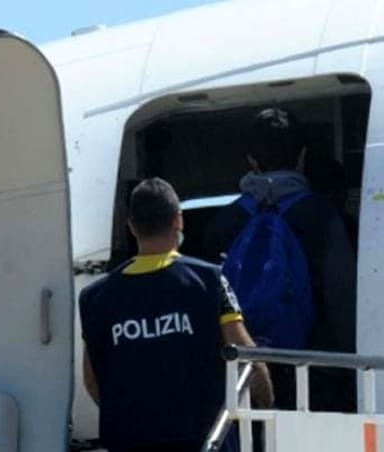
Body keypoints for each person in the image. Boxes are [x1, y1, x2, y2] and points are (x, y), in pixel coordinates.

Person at [81, 178, 272, 452]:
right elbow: (245, 353)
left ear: (132, 226)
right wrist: (267, 408)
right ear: (178, 220)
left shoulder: (95, 298)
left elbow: (92, 379)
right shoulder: (208, 280)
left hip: (129, 440)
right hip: (203, 440)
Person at [203, 107, 357, 412]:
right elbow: (342, 300)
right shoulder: (323, 218)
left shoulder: (224, 222)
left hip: (246, 373)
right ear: (302, 156)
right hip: (314, 373)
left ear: (251, 160)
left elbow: (213, 306)